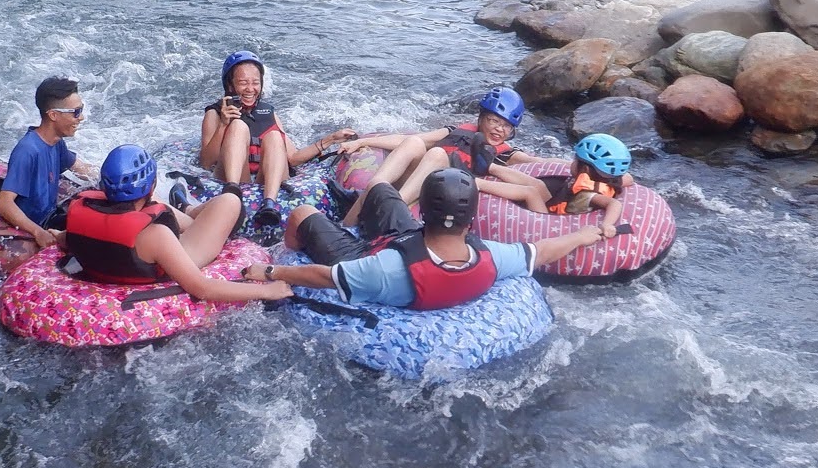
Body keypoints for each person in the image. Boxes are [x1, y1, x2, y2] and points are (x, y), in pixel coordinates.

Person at [247, 168, 608, 310]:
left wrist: (271, 270)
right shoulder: (492, 257)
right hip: (403, 241)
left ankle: (325, 234)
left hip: (363, 254)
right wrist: (581, 235)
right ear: (471, 219)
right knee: (381, 188)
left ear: (425, 213)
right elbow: (542, 252)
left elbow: (324, 277)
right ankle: (346, 221)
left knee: (300, 215)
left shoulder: (382, 271)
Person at [62, 145, 292, 304]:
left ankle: (187, 210)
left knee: (158, 208)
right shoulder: (156, 235)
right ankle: (188, 210)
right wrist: (268, 291)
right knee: (230, 201)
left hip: (136, 251)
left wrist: (52, 234)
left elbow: (65, 238)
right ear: (151, 186)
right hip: (170, 257)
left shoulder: (77, 210)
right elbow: (202, 288)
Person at [335, 88, 549, 225]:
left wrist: (577, 166)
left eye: (506, 126)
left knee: (437, 154)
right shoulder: (457, 130)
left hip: (441, 198)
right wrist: (362, 141)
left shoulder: (505, 154)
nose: (499, 130)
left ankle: (391, 206)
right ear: (481, 118)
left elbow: (540, 173)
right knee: (415, 142)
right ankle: (350, 223)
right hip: (416, 181)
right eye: (494, 121)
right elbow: (408, 139)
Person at [200, 50, 353, 203]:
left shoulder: (268, 113)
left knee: (274, 136)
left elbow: (293, 158)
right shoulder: (215, 114)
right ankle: (231, 192)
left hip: (264, 181)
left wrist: (331, 139)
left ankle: (269, 202)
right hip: (236, 178)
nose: (250, 89)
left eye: (255, 83)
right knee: (238, 126)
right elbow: (206, 163)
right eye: (243, 83)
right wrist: (223, 126)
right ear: (230, 85)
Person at [0, 76, 97, 250]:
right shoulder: (28, 151)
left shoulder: (56, 142)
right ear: (53, 115)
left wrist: (112, 182)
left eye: (81, 109)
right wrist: (37, 232)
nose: (81, 117)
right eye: (76, 112)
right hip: (33, 226)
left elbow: (80, 168)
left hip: (50, 216)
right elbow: (4, 203)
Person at [546, 134, 633, 235]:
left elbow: (614, 204)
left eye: (575, 160)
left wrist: (607, 224)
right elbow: (629, 178)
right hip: (565, 197)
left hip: (554, 220)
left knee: (531, 193)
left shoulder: (585, 194)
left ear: (585, 169)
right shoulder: (610, 180)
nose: (572, 163)